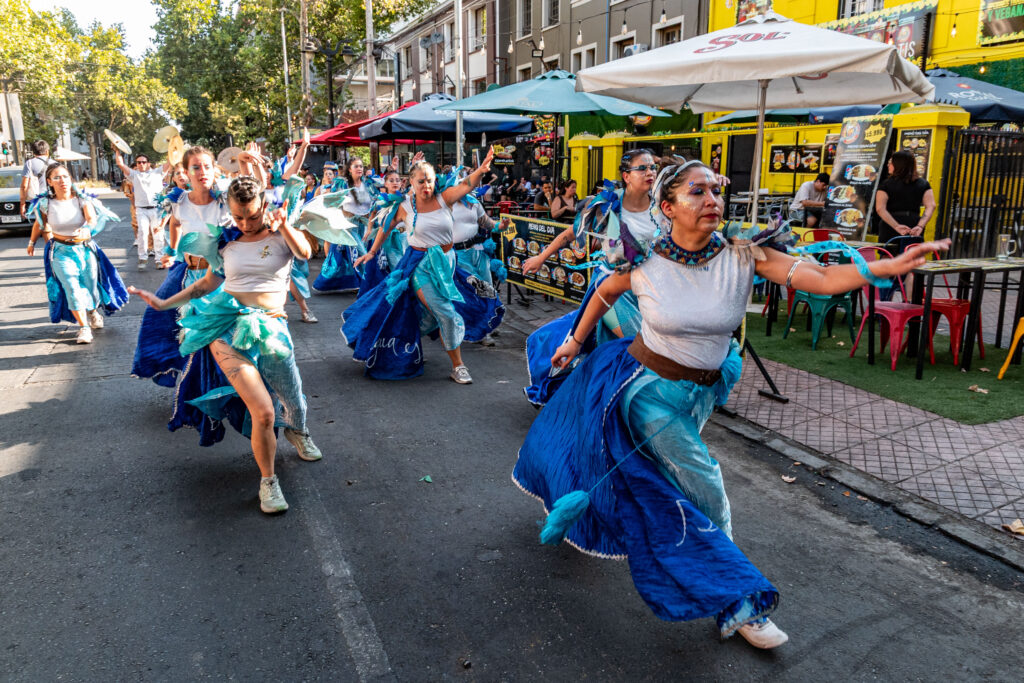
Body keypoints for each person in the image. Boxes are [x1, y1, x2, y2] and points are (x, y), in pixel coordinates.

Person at [514, 159, 951, 650]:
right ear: (668, 207)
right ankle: (738, 601)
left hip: (703, 392)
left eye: (715, 191)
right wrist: (575, 340)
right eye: (696, 192)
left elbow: (823, 278)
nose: (712, 201)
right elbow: (604, 291)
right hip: (646, 393)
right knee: (705, 486)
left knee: (654, 480)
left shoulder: (745, 256)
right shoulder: (644, 263)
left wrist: (883, 267)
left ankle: (604, 512)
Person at [128, 177, 323, 514]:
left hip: (272, 329)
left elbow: (306, 252)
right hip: (226, 326)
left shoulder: (281, 234)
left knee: (293, 399)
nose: (245, 223)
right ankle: (268, 482)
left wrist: (284, 225)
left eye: (252, 216)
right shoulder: (224, 242)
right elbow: (206, 284)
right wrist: (163, 303)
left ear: (264, 206)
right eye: (238, 217)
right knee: (264, 412)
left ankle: (298, 430)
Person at [343, 149, 500, 383]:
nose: (426, 185)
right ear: (412, 182)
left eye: (429, 180)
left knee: (427, 315)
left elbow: (466, 185)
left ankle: (402, 345)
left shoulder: (444, 197)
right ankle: (458, 366)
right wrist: (372, 252)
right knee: (446, 312)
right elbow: (385, 227)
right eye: (421, 181)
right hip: (420, 266)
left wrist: (481, 170)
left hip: (447, 263)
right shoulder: (404, 206)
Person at [132, 146, 232, 386]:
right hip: (187, 272)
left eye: (207, 166)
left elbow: (256, 198)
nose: (202, 172)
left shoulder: (226, 200)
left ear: (214, 170)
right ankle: (194, 383)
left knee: (218, 335)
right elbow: (175, 223)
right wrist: (171, 250)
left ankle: (224, 387)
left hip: (220, 278)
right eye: (196, 167)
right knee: (162, 318)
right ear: (186, 172)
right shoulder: (179, 201)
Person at [26, 163, 128, 344]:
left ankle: (93, 311)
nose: (62, 181)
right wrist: (32, 242)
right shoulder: (45, 203)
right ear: (49, 181)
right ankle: (84, 328)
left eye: (65, 176)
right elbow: (39, 224)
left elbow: (92, 219)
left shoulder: (81, 199)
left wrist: (86, 229)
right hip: (60, 252)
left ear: (70, 179)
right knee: (71, 287)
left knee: (90, 287)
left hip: (85, 250)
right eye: (57, 177)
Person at [313, 157, 370, 293]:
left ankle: (359, 283)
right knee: (363, 253)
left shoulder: (367, 184)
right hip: (348, 225)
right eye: (356, 166)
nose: (359, 169)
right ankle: (367, 284)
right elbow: (331, 200)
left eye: (361, 166)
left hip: (363, 225)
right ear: (349, 169)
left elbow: (374, 201)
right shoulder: (342, 184)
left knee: (353, 255)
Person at [115, 151, 170, 270]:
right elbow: (120, 163)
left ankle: (159, 259)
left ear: (148, 163)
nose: (141, 164)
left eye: (143, 162)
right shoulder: (134, 175)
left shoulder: (158, 172)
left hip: (156, 209)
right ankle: (142, 258)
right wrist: (117, 149)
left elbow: (170, 161)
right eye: (138, 162)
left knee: (158, 234)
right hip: (141, 210)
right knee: (142, 233)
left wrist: (173, 146)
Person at [875, 150, 935, 247]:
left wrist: (896, 226)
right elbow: (931, 206)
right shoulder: (923, 184)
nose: (888, 165)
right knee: (911, 254)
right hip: (913, 225)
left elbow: (880, 208)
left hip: (889, 224)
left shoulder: (886, 184)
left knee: (888, 254)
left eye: (890, 163)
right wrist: (920, 226)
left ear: (898, 165)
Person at [20, 140, 52, 219]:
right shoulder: (55, 163)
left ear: (34, 152)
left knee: (41, 223)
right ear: (47, 151)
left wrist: (22, 205)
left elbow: (24, 186)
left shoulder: (29, 163)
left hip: (38, 200)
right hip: (54, 199)